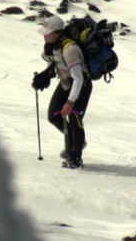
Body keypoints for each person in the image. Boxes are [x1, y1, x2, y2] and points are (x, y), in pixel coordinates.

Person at [32, 15, 93, 169]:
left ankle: (75, 158)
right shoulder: (54, 46)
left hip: (81, 86)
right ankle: (74, 144)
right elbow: (57, 64)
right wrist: (44, 76)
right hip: (66, 83)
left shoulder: (70, 49)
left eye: (48, 32)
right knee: (54, 115)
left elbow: (78, 79)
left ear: (57, 33)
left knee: (74, 118)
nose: (44, 35)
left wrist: (70, 103)